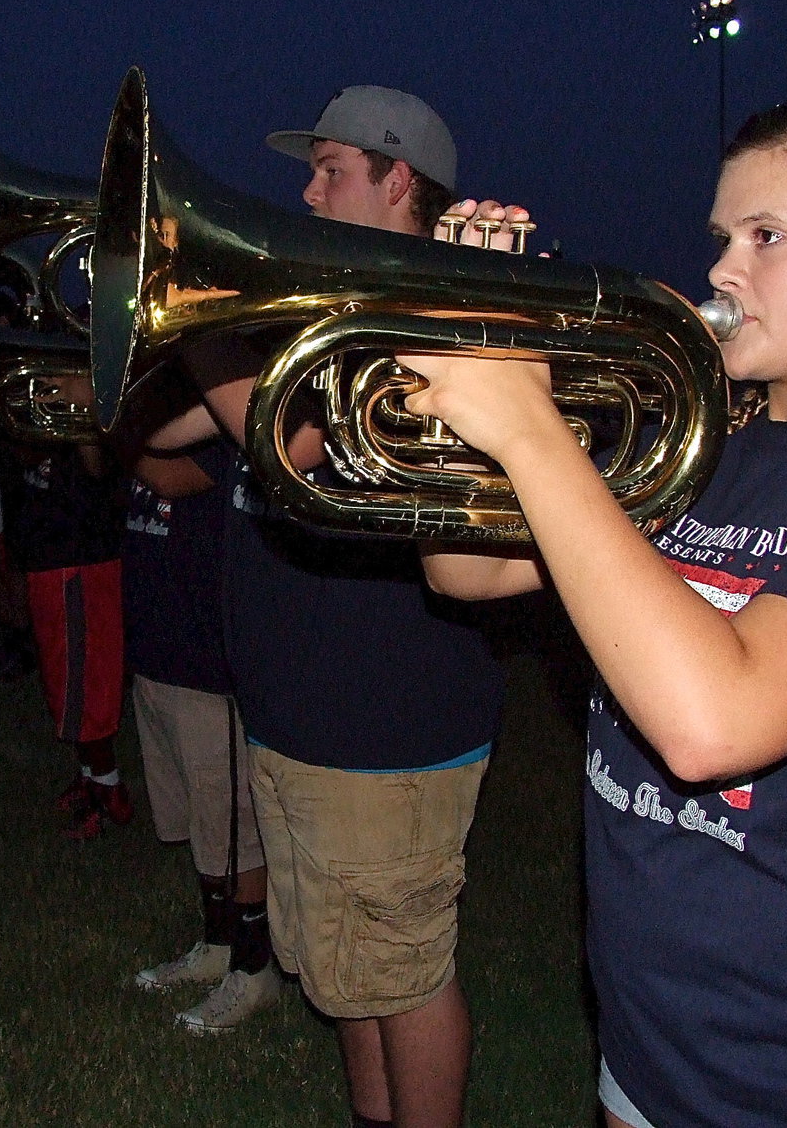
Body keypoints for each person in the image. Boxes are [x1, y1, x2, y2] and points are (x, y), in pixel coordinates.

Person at [401, 81, 787, 1127]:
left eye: (768, 235)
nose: (724, 268)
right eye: (724, 235)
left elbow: (712, 724)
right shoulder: (701, 437)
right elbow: (465, 573)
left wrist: (532, 428)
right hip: (649, 1056)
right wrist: (469, 321)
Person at [150, 86, 504, 1128]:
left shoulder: (431, 307)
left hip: (389, 721)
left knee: (403, 973)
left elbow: (288, 445)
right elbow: (172, 433)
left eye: (331, 169)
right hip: (301, 713)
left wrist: (198, 309)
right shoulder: (320, 312)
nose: (304, 190)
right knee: (346, 975)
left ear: (400, 182)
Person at [125, 449, 281, 1031]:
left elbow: (165, 474)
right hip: (157, 653)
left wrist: (103, 404)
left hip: (205, 661)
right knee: (200, 825)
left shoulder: (220, 418)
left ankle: (253, 969)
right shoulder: (161, 416)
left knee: (234, 833)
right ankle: (216, 945)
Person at [8, 425, 133, 840]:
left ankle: (107, 789)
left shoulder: (91, 392)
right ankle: (88, 775)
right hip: (50, 557)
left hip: (80, 557)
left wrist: (80, 404)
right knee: (65, 685)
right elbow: (21, 453)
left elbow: (97, 465)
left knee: (85, 687)